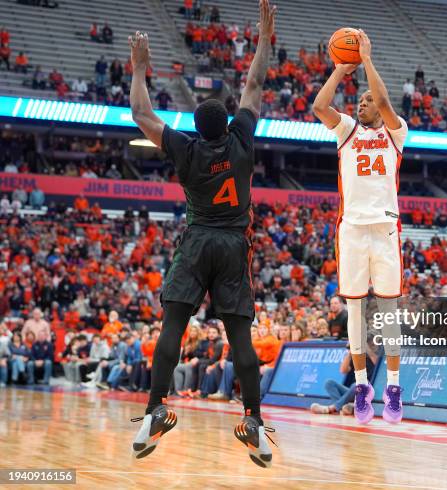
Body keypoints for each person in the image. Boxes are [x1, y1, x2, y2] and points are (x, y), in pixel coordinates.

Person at [128, 0, 277, 467]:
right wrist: (263, 35)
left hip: (196, 243)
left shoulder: (186, 150)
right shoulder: (242, 139)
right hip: (233, 246)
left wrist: (139, 68)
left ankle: (155, 410)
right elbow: (254, 83)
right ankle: (253, 420)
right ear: (229, 121)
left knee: (172, 326)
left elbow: (140, 114)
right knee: (241, 339)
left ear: (196, 128)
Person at [313, 30, 406, 425]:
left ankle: (395, 389)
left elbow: (384, 100)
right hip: (351, 228)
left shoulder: (395, 132)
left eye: (367, 100)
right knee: (354, 307)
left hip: (384, 227)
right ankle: (364, 388)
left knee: (388, 310)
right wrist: (338, 71)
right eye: (360, 100)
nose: (363, 102)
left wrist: (366, 61)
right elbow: (319, 105)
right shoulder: (347, 130)